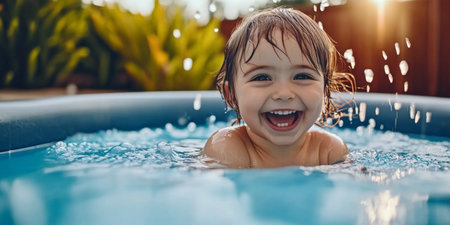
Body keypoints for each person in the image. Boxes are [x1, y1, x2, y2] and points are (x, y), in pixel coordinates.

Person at [201, 7, 355, 168]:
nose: (284, 94)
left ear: (324, 91)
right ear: (231, 96)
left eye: (302, 76)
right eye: (262, 77)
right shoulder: (227, 147)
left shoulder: (329, 151)